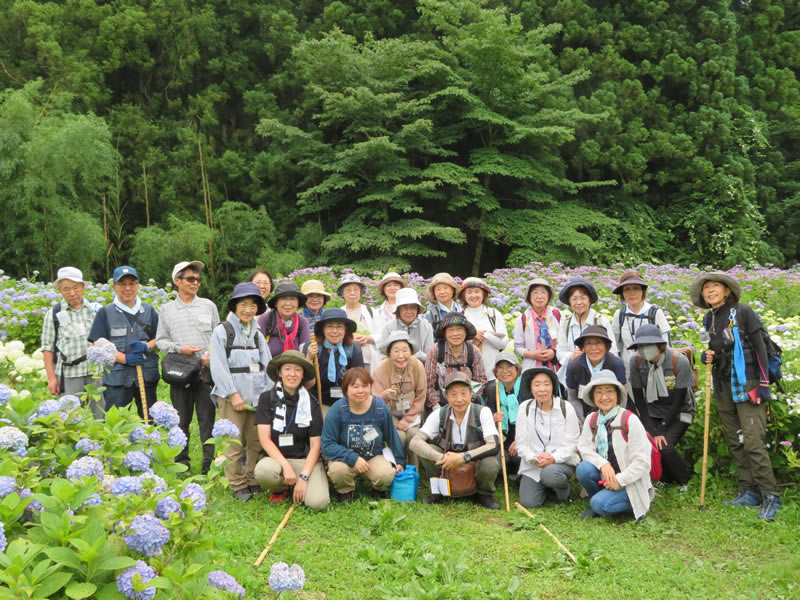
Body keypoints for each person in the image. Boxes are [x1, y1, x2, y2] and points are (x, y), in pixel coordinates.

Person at [690, 272, 780, 521]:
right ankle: (749, 490)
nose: (710, 291)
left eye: (715, 286)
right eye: (706, 288)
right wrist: (708, 357)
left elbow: (760, 346)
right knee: (735, 439)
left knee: (753, 441)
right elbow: (717, 351)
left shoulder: (743, 312)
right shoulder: (709, 318)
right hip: (723, 384)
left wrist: (762, 384)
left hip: (748, 381)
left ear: (727, 291)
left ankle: (770, 494)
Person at [209, 282, 273, 501]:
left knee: (256, 441)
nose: (248, 309)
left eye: (253, 305)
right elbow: (218, 365)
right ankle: (236, 483)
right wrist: (232, 394)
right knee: (234, 443)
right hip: (232, 397)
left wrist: (268, 394)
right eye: (243, 304)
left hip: (257, 396)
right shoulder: (222, 331)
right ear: (235, 306)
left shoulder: (257, 332)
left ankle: (252, 478)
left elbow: (267, 364)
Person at [155, 261, 220, 474]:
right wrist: (179, 348)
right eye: (190, 279)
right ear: (177, 281)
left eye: (198, 279)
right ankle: (181, 463)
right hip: (181, 372)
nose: (195, 283)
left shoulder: (209, 306)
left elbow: (218, 337)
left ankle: (208, 465)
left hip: (204, 373)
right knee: (181, 420)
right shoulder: (167, 310)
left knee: (207, 420)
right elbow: (161, 341)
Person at [410, 372, 501, 509]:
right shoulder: (439, 414)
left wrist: (463, 457)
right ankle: (439, 491)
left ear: (471, 394)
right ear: (446, 397)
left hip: (474, 459)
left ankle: (484, 493)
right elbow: (415, 442)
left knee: (490, 463)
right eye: (453, 394)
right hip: (446, 459)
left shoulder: (483, 412)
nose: (459, 399)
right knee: (426, 451)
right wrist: (443, 458)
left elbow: (493, 445)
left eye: (464, 393)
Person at [254, 351, 329, 510]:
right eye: (287, 369)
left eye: (298, 370)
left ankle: (298, 483)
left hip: (304, 461)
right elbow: (265, 439)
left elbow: (316, 445)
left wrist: (303, 477)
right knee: (264, 471)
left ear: (303, 375)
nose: (292, 374)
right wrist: (285, 466)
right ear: (280, 373)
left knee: (318, 503)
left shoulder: (311, 402)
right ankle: (280, 488)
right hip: (277, 461)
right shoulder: (266, 398)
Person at [576, 370, 653, 520]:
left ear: (617, 394)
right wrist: (603, 464)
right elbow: (584, 448)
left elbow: (642, 462)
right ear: (592, 396)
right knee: (583, 469)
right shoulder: (592, 419)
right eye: (598, 392)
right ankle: (603, 497)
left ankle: (628, 503)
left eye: (609, 391)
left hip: (630, 480)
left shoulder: (629, 420)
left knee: (599, 505)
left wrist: (620, 480)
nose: (604, 397)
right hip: (606, 476)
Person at [322, 367, 406, 501]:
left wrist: (400, 461)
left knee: (386, 475)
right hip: (345, 458)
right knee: (338, 471)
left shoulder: (379, 407)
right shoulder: (337, 409)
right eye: (355, 386)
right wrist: (353, 458)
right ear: (346, 389)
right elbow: (327, 445)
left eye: (365, 386)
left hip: (373, 455)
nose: (361, 391)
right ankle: (345, 491)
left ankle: (378, 489)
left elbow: (392, 436)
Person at [87, 266, 158, 419]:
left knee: (150, 421)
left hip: (146, 376)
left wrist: (147, 346)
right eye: (122, 284)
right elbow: (98, 343)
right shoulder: (105, 312)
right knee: (115, 423)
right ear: (114, 287)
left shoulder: (149, 310)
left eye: (132, 283)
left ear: (137, 286)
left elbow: (160, 339)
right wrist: (124, 358)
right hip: (117, 379)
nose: (127, 288)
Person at [628, 325, 692, 487]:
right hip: (652, 412)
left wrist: (662, 430)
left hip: (681, 412)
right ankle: (664, 478)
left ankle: (684, 481)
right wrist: (653, 430)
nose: (644, 350)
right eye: (640, 346)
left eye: (648, 345)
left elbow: (679, 400)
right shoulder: (636, 362)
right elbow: (639, 400)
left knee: (665, 448)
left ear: (659, 346)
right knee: (650, 446)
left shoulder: (679, 360)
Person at [40, 266, 103, 418]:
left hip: (96, 373)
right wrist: (51, 378)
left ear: (82, 287)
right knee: (69, 417)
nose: (72, 293)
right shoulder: (54, 314)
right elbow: (47, 348)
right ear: (60, 291)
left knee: (100, 414)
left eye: (76, 287)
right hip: (69, 373)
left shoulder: (96, 310)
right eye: (66, 289)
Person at [516, 367, 580, 508]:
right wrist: (532, 457)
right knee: (529, 503)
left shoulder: (566, 407)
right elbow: (521, 444)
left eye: (546, 384)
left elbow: (572, 443)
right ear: (530, 388)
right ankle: (546, 488)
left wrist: (553, 458)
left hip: (560, 462)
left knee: (550, 474)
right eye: (537, 384)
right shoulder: (524, 408)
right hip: (534, 464)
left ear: (553, 386)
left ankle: (563, 491)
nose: (542, 389)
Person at [371, 330, 426, 466]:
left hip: (412, 412)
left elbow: (421, 395)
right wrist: (385, 395)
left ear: (411, 351)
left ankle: (413, 472)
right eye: (396, 351)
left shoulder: (417, 366)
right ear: (389, 353)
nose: (401, 356)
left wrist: (408, 419)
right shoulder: (380, 369)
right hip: (390, 413)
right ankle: (396, 469)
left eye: (405, 350)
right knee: (399, 436)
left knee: (414, 435)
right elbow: (375, 401)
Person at [611, 270, 670, 386]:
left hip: (654, 369)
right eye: (627, 289)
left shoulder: (655, 312)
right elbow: (616, 345)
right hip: (629, 372)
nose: (632, 293)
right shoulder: (620, 315)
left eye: (636, 288)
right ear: (622, 293)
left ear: (643, 291)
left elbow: (667, 344)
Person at [304, 308, 365, 417]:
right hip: (319, 401)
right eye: (330, 326)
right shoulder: (312, 347)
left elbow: (360, 380)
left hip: (347, 401)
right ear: (323, 329)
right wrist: (309, 358)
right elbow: (305, 383)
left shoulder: (353, 349)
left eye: (339, 326)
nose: (334, 331)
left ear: (346, 329)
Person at [555, 277, 616, 386]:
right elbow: (560, 351)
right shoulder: (565, 323)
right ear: (569, 302)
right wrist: (571, 356)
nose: (578, 303)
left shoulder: (601, 321)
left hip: (600, 376)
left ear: (590, 300)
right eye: (574, 299)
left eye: (583, 298)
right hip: (573, 377)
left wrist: (594, 355)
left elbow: (613, 352)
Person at [424, 312, 487, 411]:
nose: (455, 334)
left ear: (466, 332)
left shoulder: (474, 351)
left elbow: (481, 381)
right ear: (444, 333)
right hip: (442, 403)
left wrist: (468, 400)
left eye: (459, 329)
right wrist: (436, 406)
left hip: (468, 401)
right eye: (451, 330)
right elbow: (429, 383)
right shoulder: (435, 351)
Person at [565, 325, 627, 422]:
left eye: (598, 343)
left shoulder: (616, 364)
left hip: (613, 415)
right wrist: (584, 420)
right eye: (588, 343)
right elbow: (572, 398)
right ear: (583, 347)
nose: (594, 348)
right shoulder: (574, 366)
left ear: (607, 346)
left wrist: (611, 419)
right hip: (584, 416)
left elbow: (622, 397)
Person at [480, 352, 523, 476]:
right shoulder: (492, 389)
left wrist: (520, 441)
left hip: (524, 439)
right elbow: (485, 417)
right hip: (502, 440)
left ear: (517, 368)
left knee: (520, 458)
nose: (505, 371)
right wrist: (492, 418)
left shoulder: (526, 388)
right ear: (496, 371)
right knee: (496, 467)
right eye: (500, 367)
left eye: (509, 366)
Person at [458, 277, 508, 379]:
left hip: (493, 374)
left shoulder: (493, 314)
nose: (473, 295)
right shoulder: (460, 317)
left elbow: (503, 344)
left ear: (483, 294)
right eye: (469, 292)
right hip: (467, 375)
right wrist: (472, 336)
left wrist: (485, 335)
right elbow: (455, 345)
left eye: (477, 292)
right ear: (463, 296)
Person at [513, 278, 561, 372]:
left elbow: (565, 342)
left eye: (543, 292)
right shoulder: (523, 318)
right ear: (529, 297)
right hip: (531, 367)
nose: (539, 296)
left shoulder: (557, 315)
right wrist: (533, 355)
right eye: (535, 293)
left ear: (548, 295)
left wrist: (554, 352)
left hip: (555, 366)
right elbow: (518, 346)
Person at [375, 288, 433, 362]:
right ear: (399, 310)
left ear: (417, 309)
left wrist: (416, 355)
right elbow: (383, 353)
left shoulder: (426, 326)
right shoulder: (389, 326)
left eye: (413, 307)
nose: (409, 311)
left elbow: (429, 356)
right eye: (405, 308)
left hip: (419, 367)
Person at [257, 282, 311, 358]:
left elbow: (304, 349)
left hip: (295, 365)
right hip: (269, 366)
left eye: (292, 299)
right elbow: (257, 347)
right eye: (283, 299)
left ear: (298, 303)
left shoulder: (302, 322)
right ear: (276, 303)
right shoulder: (266, 319)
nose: (288, 303)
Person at [337, 273, 378, 373]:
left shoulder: (371, 311)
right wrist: (349, 338)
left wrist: (368, 339)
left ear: (361, 292)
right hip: (346, 361)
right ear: (342, 294)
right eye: (348, 290)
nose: (352, 293)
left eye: (356, 289)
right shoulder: (338, 313)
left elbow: (382, 335)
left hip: (369, 361)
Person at [372, 272, 407, 339]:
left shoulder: (410, 307)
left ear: (401, 288)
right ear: (383, 289)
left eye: (396, 285)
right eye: (388, 285)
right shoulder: (377, 312)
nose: (392, 288)